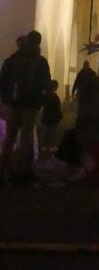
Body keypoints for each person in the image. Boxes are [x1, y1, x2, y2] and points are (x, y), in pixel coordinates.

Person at [0, 30, 52, 183]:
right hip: (31, 104)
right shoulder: (40, 61)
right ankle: (19, 171)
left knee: (9, 138)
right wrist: (43, 99)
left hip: (13, 104)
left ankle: (3, 169)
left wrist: (6, 100)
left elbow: (3, 80)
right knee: (25, 139)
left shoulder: (13, 59)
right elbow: (46, 84)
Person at [39, 79, 63, 154]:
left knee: (47, 131)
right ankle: (51, 145)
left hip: (47, 117)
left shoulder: (46, 96)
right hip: (53, 118)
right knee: (52, 132)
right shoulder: (54, 97)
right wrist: (59, 116)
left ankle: (45, 145)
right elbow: (57, 107)